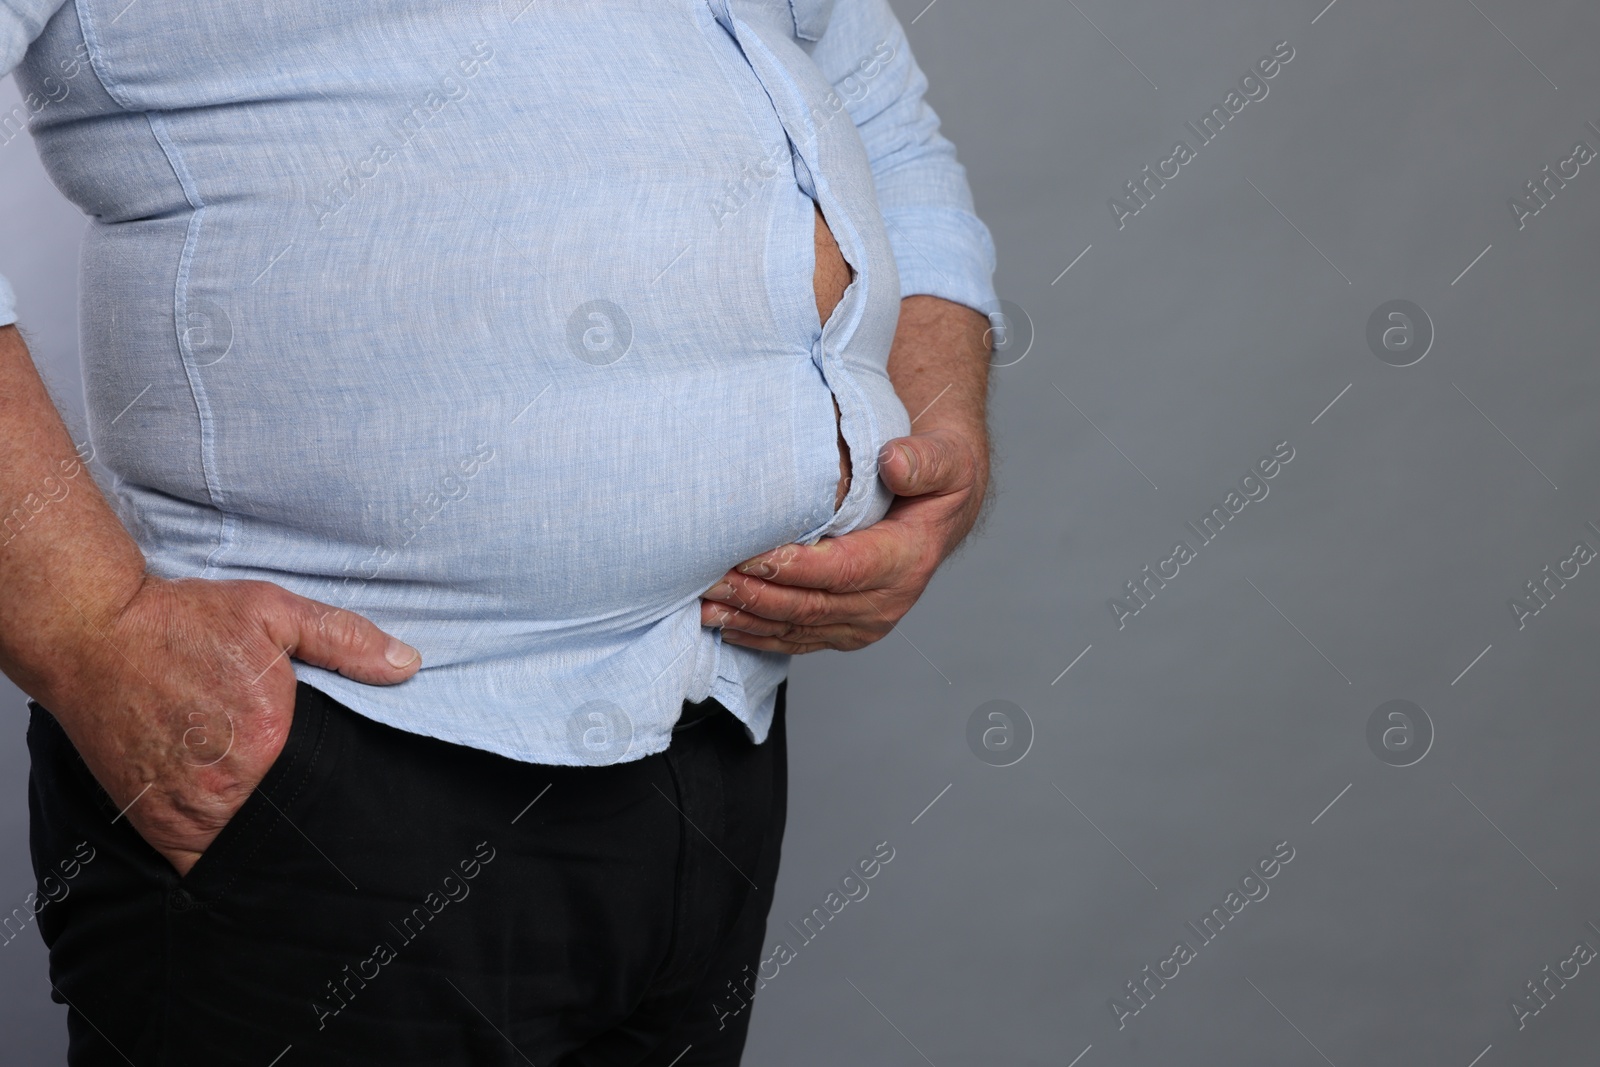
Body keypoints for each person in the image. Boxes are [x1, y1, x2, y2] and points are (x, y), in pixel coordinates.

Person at [0, 0, 997, 1062]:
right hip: (331, 751)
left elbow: (875, 106)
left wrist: (935, 422)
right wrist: (92, 629)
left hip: (717, 720)